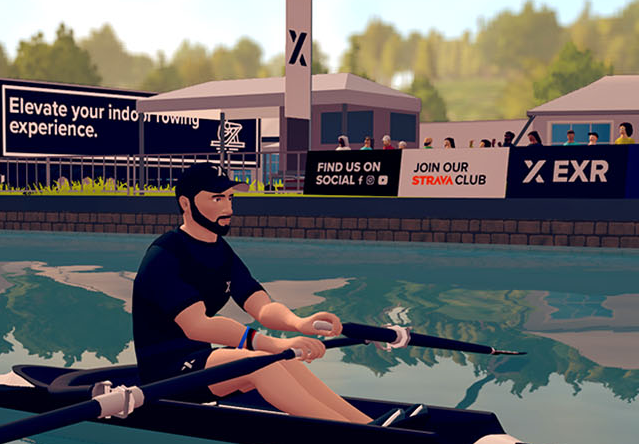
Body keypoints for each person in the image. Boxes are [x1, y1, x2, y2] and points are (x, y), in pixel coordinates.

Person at [132, 163, 422, 426]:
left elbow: (262, 307)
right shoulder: (164, 256)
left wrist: (299, 323)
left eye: (230, 198)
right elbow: (198, 326)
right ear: (186, 203)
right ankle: (357, 435)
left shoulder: (222, 253)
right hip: (165, 377)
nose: (228, 208)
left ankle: (369, 425)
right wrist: (270, 343)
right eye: (217, 198)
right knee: (263, 365)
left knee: (284, 360)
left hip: (201, 361)